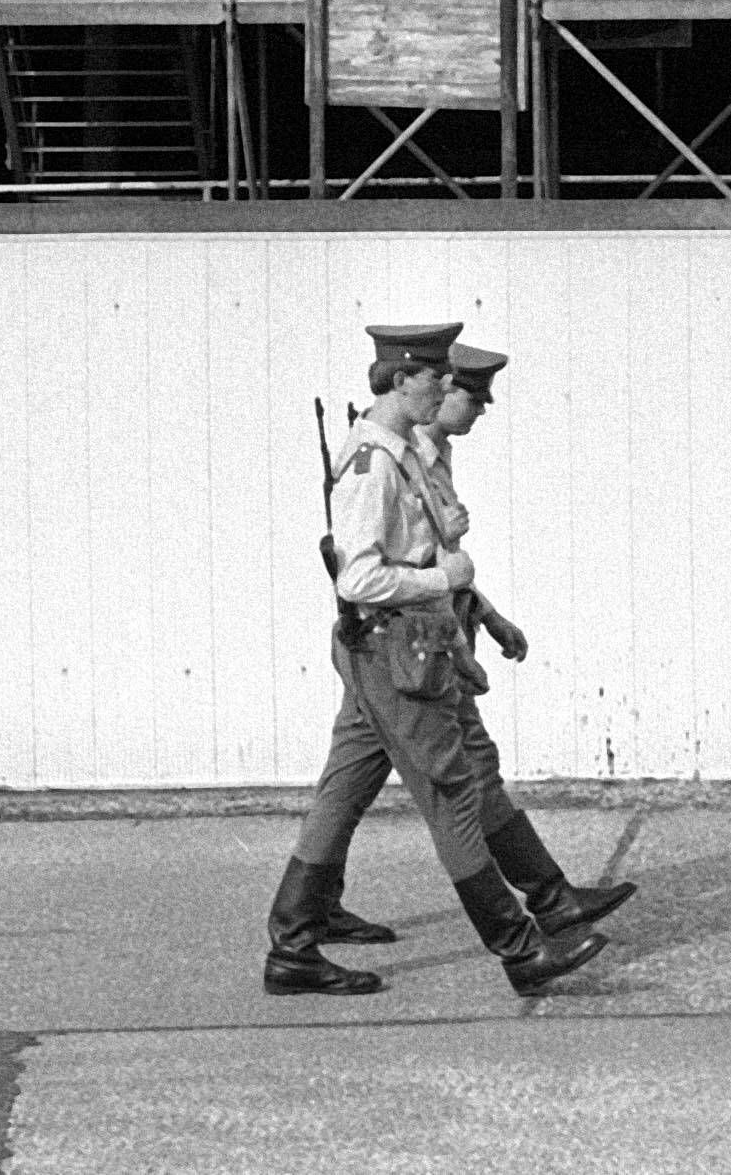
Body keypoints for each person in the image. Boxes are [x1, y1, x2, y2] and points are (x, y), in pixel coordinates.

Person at [263, 323, 611, 999]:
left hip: (407, 647)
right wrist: (444, 578)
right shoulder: (372, 465)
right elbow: (359, 578)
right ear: (400, 380)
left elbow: (419, 557)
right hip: (394, 646)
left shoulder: (400, 453)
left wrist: (456, 621)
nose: (449, 388)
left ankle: (295, 942)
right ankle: (519, 949)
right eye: (436, 377)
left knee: (347, 784)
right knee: (455, 794)